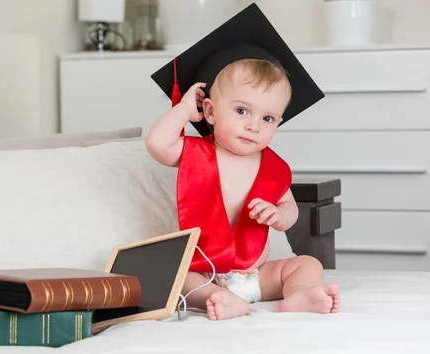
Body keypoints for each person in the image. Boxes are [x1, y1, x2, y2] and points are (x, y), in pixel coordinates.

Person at [146, 3, 340, 321]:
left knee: (308, 265)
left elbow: (289, 209)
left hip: (258, 274)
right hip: (205, 273)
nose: (254, 126)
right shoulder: (194, 153)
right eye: (241, 111)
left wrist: (279, 215)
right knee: (175, 277)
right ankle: (219, 299)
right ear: (208, 111)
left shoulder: (274, 167)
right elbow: (156, 143)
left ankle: (299, 294)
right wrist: (182, 110)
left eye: (268, 118)